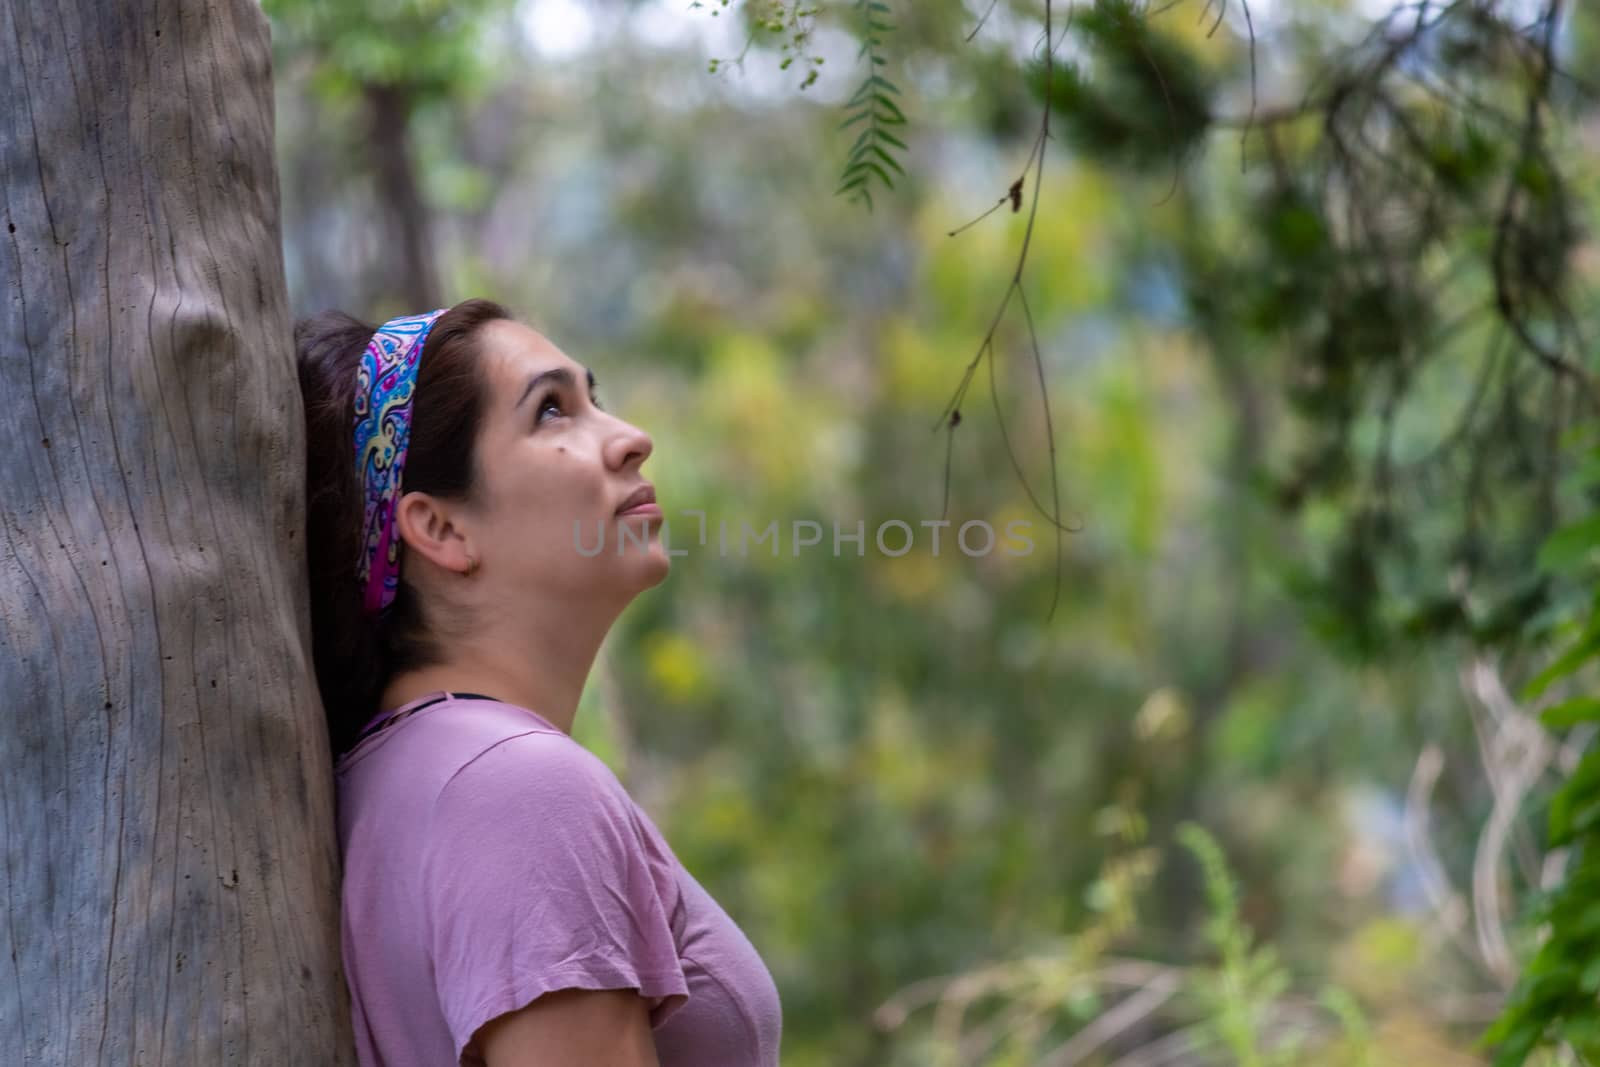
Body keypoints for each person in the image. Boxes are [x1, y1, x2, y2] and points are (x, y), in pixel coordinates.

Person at [296, 299, 783, 1067]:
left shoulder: (401, 776)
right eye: (551, 410)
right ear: (441, 529)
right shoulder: (518, 790)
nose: (631, 438)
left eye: (593, 398)